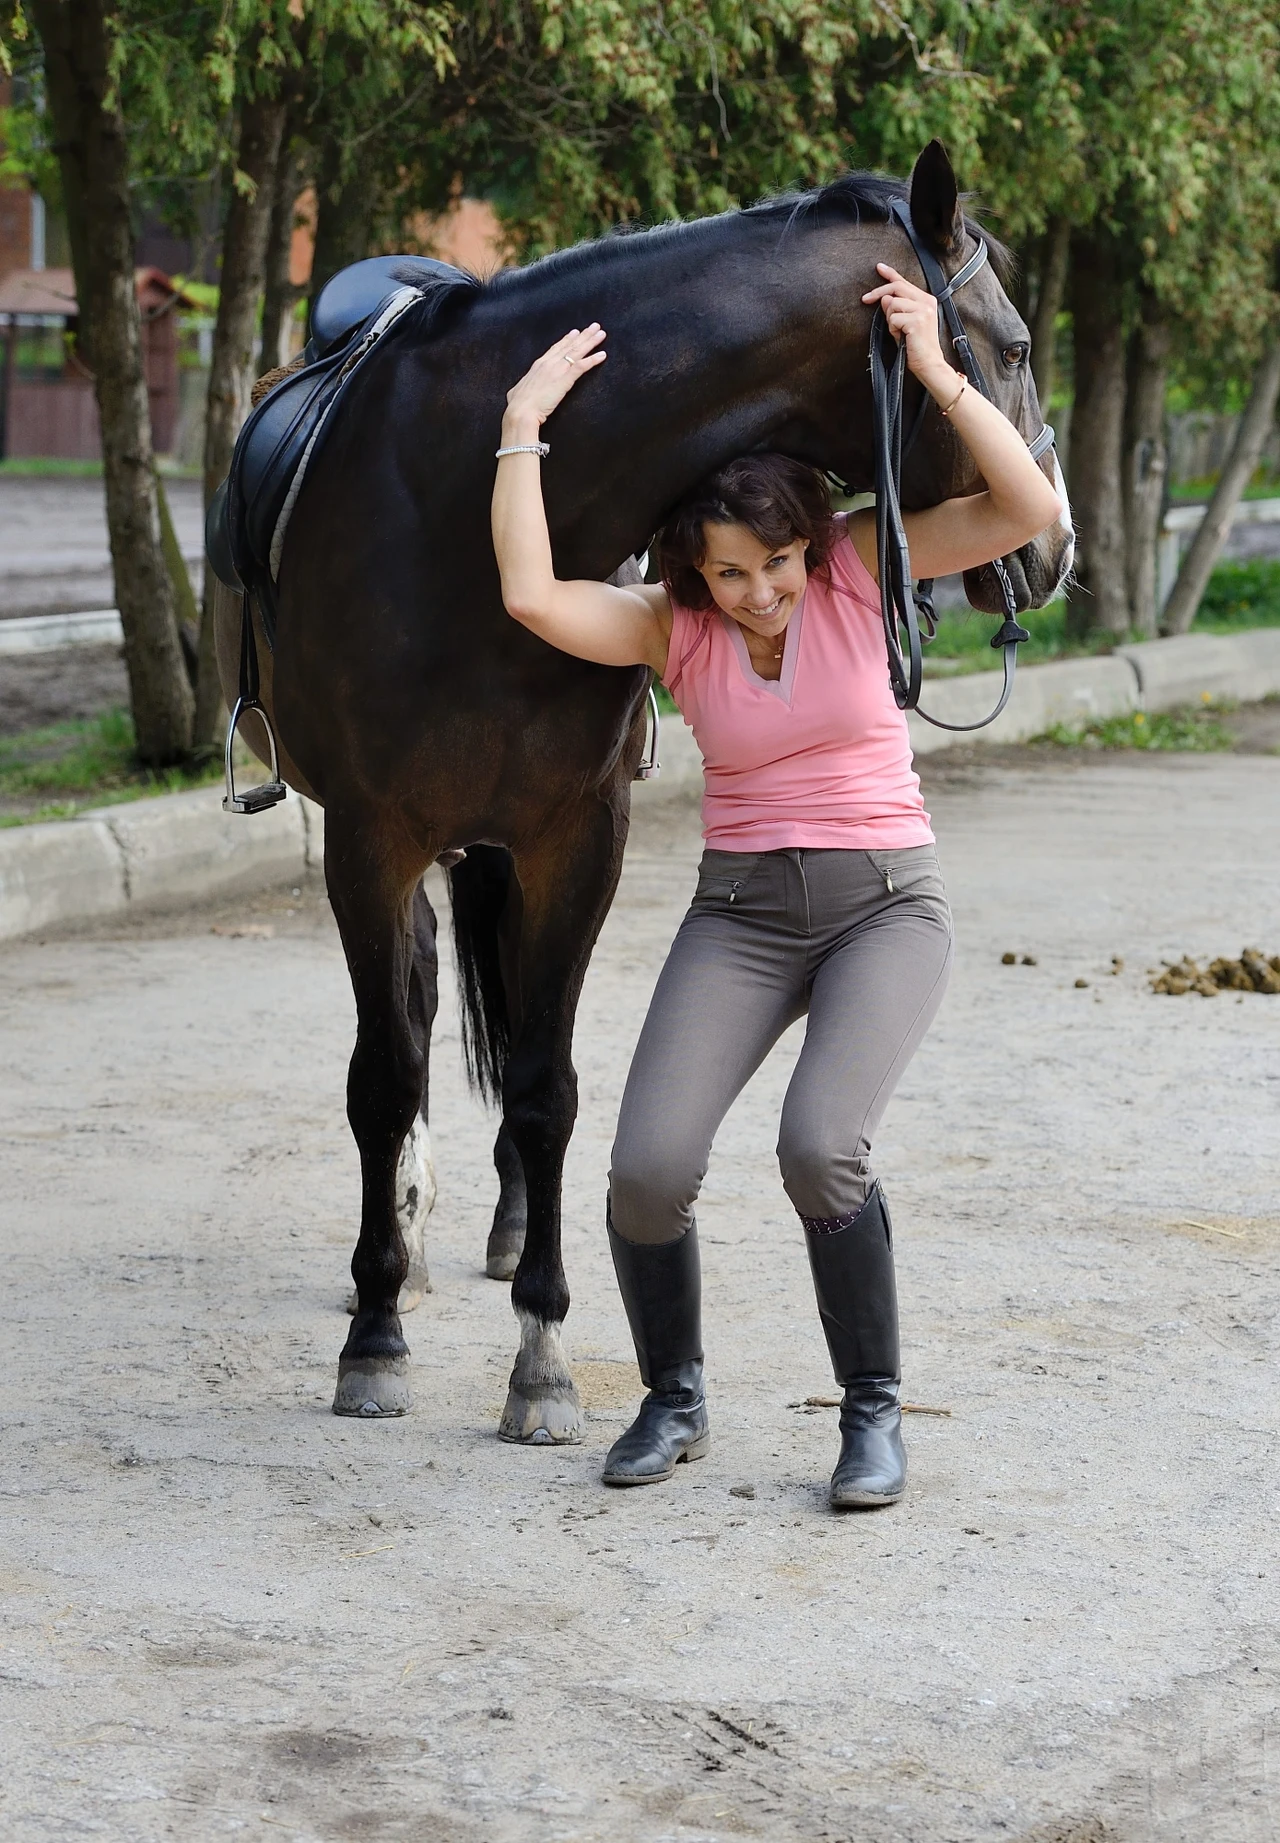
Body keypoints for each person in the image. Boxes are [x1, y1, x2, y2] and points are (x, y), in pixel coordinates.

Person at [490, 264, 1062, 1509]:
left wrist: (937, 371)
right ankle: (671, 1396)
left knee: (820, 1147)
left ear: (811, 540)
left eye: (777, 563)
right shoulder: (667, 623)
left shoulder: (860, 565)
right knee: (644, 1168)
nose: (760, 591)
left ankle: (870, 1414)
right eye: (731, 572)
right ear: (693, 570)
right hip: (740, 916)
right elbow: (530, 596)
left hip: (883, 906)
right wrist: (522, 427)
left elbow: (1020, 507)